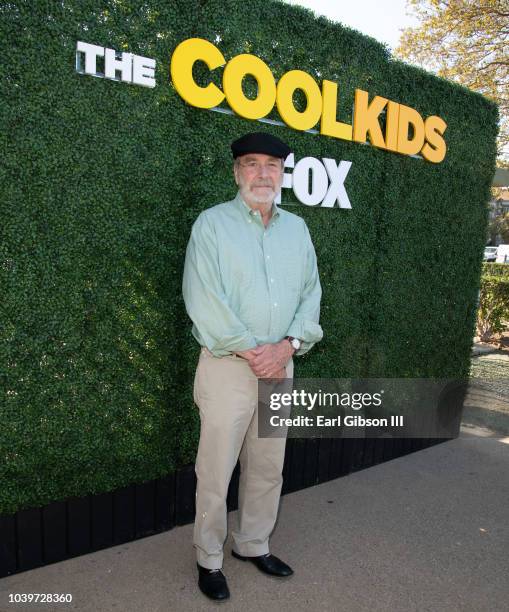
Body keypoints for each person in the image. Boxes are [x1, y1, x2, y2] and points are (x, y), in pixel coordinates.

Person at [182, 131, 323, 601]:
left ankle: (253, 543)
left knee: (268, 465)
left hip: (281, 364)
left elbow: (311, 294)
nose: (262, 173)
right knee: (216, 470)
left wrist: (288, 346)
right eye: (251, 164)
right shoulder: (212, 225)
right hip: (228, 368)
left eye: (271, 166)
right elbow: (204, 298)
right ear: (236, 171)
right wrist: (254, 351)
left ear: (282, 174)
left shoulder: (298, 229)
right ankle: (209, 557)